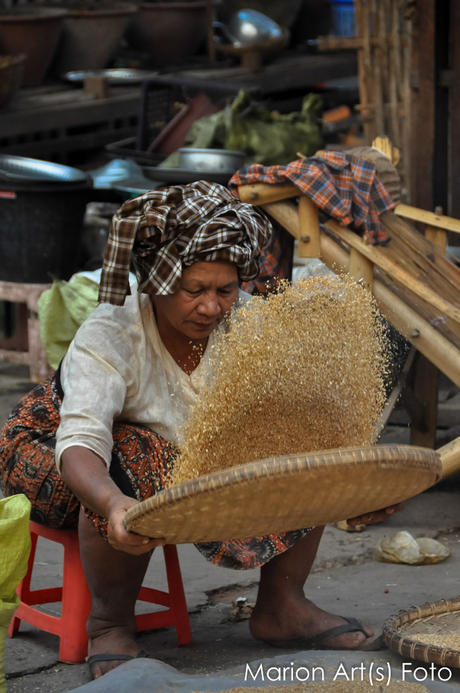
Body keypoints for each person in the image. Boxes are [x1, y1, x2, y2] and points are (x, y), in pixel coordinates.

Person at [0, 181, 402, 680]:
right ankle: (108, 623)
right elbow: (83, 441)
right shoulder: (112, 332)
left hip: (176, 456)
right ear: (157, 282)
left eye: (225, 290)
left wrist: (356, 484)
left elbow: (302, 416)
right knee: (135, 450)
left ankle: (282, 607)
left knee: (304, 430)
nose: (211, 307)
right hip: (56, 456)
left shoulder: (248, 326)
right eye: (194, 290)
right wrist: (110, 502)